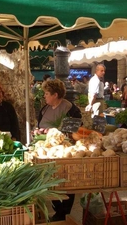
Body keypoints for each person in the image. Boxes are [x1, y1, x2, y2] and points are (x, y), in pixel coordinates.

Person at [36, 78, 81, 221]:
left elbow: (75, 130)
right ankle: (57, 210)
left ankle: (64, 212)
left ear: (55, 95)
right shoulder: (44, 109)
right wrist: (39, 133)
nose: (44, 96)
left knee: (67, 182)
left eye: (47, 93)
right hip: (48, 152)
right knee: (52, 181)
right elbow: (40, 127)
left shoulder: (70, 109)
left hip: (65, 153)